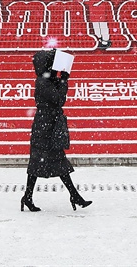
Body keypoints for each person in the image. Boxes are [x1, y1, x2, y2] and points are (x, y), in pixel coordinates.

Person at [21, 49, 92, 212]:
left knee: (52, 162)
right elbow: (59, 99)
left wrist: (60, 77)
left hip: (47, 124)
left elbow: (57, 95)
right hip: (46, 125)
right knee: (43, 163)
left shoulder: (46, 79)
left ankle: (30, 197)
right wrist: (64, 81)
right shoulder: (43, 82)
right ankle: (71, 195)